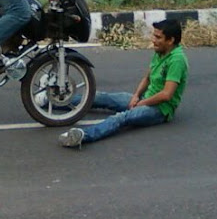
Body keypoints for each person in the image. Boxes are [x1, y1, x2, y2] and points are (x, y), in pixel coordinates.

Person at [58, 19, 189, 148]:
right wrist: (136, 96)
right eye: (154, 35)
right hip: (145, 99)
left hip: (160, 110)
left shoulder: (177, 60)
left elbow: (166, 95)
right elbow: (147, 78)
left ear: (170, 40)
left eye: (158, 37)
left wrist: (142, 103)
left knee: (121, 118)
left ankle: (82, 136)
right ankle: (49, 101)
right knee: (100, 97)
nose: (153, 40)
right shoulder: (160, 52)